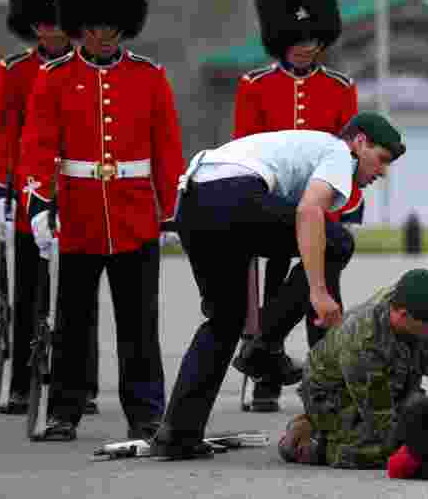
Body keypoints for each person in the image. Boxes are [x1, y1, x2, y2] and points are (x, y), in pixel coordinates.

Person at [151, 112, 403, 459]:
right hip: (234, 194)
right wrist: (318, 293)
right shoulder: (337, 153)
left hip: (194, 203)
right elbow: (308, 213)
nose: (382, 172)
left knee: (224, 321)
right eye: (382, 159)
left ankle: (177, 433)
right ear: (359, 143)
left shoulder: (302, 148)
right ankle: (264, 348)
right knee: (338, 242)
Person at [19, 0, 184, 441]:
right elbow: (38, 146)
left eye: (112, 25)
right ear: (78, 25)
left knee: (139, 325)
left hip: (135, 216)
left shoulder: (150, 78)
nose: (104, 35)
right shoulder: (53, 79)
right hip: (79, 213)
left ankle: (146, 410)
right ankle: (64, 409)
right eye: (94, 26)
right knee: (71, 322)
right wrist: (40, 204)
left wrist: (173, 212)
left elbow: (167, 152)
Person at [232, 0, 361, 413]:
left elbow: (349, 154)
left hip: (321, 205)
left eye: (313, 37)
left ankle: (324, 380)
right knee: (273, 288)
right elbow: (245, 151)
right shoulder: (255, 86)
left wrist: (350, 206)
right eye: (296, 37)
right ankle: (266, 375)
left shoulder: (340, 88)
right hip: (271, 205)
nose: (306, 46)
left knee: (323, 293)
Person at [0, 0, 106, 416]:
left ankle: (81, 383)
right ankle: (22, 382)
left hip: (78, 194)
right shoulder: (13, 71)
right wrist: (2, 189)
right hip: (30, 194)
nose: (47, 31)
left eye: (54, 22)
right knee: (28, 293)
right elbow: (1, 135)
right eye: (40, 22)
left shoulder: (88, 71)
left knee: (80, 301)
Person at [275, 268, 428, 469]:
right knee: (388, 450)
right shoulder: (363, 342)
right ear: (402, 315)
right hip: (334, 394)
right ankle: (316, 439)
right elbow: (384, 425)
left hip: (395, 385)